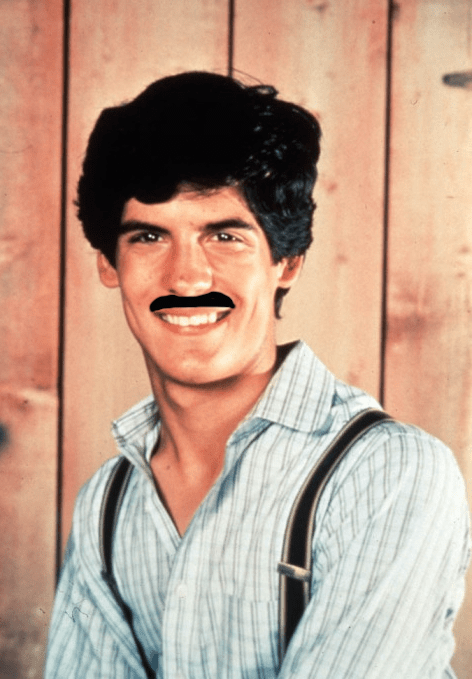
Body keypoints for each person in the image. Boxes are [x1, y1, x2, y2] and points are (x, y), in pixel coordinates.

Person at [45, 72, 470, 678]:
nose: (187, 278)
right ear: (109, 265)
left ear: (286, 261)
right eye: (149, 236)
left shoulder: (386, 473)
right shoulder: (108, 505)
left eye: (224, 235)